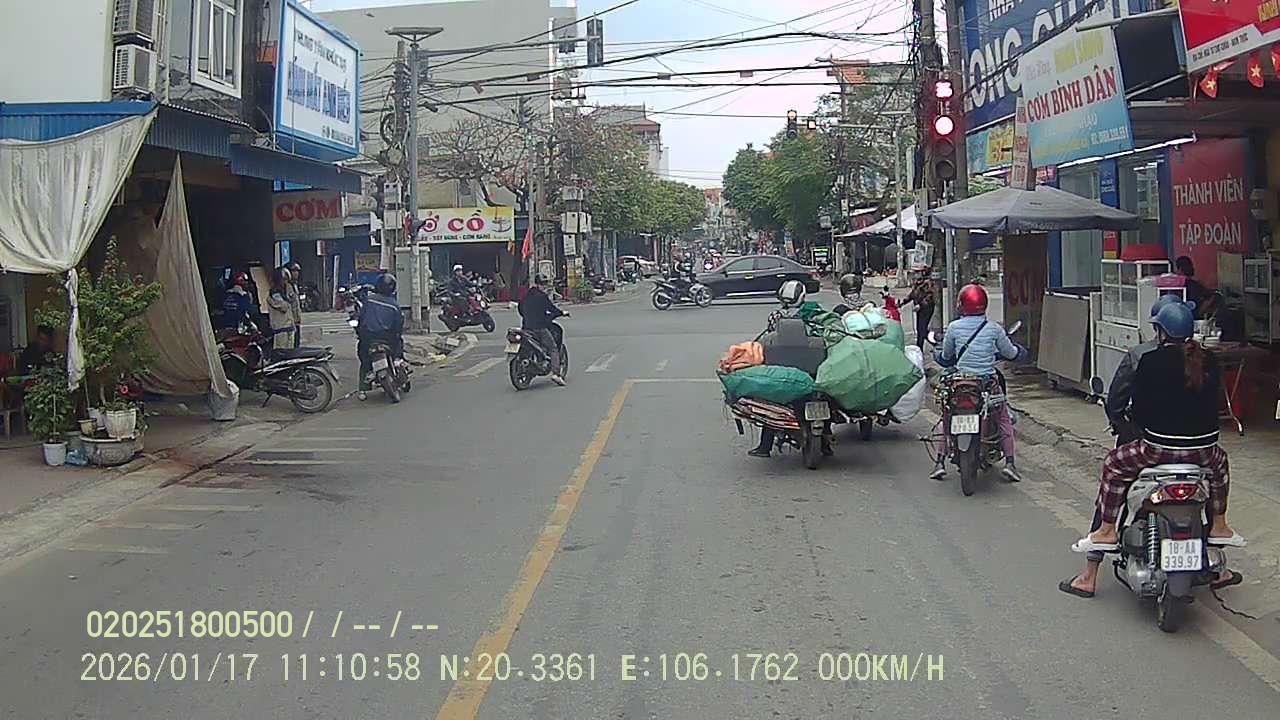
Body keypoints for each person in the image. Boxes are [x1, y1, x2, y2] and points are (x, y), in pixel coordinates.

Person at [1061, 300, 1244, 598]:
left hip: (1158, 448)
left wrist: (1134, 430)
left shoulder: (1146, 358)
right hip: (1204, 450)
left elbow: (1134, 408)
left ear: (1160, 331)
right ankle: (1220, 526)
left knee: (1113, 466)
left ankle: (1104, 536)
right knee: (1220, 468)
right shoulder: (1209, 360)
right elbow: (1216, 404)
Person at [930, 284, 1027, 482]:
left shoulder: (954, 327)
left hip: (959, 384)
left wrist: (937, 353)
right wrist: (1020, 352)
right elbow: (1010, 353)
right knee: (1003, 418)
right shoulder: (994, 329)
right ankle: (1010, 463)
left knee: (947, 417)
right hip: (986, 383)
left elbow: (946, 357)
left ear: (961, 304)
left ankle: (939, 462)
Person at [356, 273, 405, 397]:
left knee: (364, 360)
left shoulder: (368, 300)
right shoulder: (394, 305)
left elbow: (361, 319)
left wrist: (361, 333)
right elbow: (398, 326)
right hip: (387, 338)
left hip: (368, 338)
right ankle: (397, 361)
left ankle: (362, 389)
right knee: (398, 344)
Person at [518, 274, 566, 386]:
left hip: (526, 328)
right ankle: (556, 374)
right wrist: (561, 313)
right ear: (539, 284)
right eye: (543, 284)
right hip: (539, 328)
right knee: (553, 348)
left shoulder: (527, 295)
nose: (544, 286)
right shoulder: (542, 297)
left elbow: (520, 309)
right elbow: (551, 309)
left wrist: (527, 316)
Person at [901, 271, 937, 349]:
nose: (916, 280)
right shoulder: (916, 286)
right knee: (920, 329)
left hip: (927, 309)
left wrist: (920, 305)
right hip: (920, 310)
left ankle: (932, 343)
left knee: (922, 329)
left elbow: (929, 298)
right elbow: (912, 295)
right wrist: (903, 302)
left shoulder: (927, 284)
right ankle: (926, 344)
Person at [266, 267, 294, 350]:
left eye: (286, 280)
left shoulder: (286, 290)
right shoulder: (274, 293)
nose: (285, 282)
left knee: (290, 352)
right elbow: (283, 307)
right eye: (284, 279)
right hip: (280, 329)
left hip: (289, 326)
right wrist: (288, 298)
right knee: (281, 351)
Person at [287, 262, 304, 348]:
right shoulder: (286, 286)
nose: (296, 273)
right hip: (289, 320)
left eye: (297, 271)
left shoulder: (295, 285)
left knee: (296, 343)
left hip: (296, 320)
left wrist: (298, 317)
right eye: (293, 271)